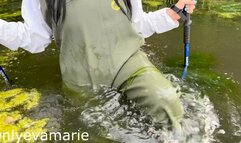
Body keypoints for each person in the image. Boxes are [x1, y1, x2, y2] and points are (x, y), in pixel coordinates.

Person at [0, 0, 195, 129]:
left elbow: (138, 24)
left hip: (128, 61)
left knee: (167, 102)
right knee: (91, 130)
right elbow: (35, 39)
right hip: (80, 77)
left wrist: (172, 14)